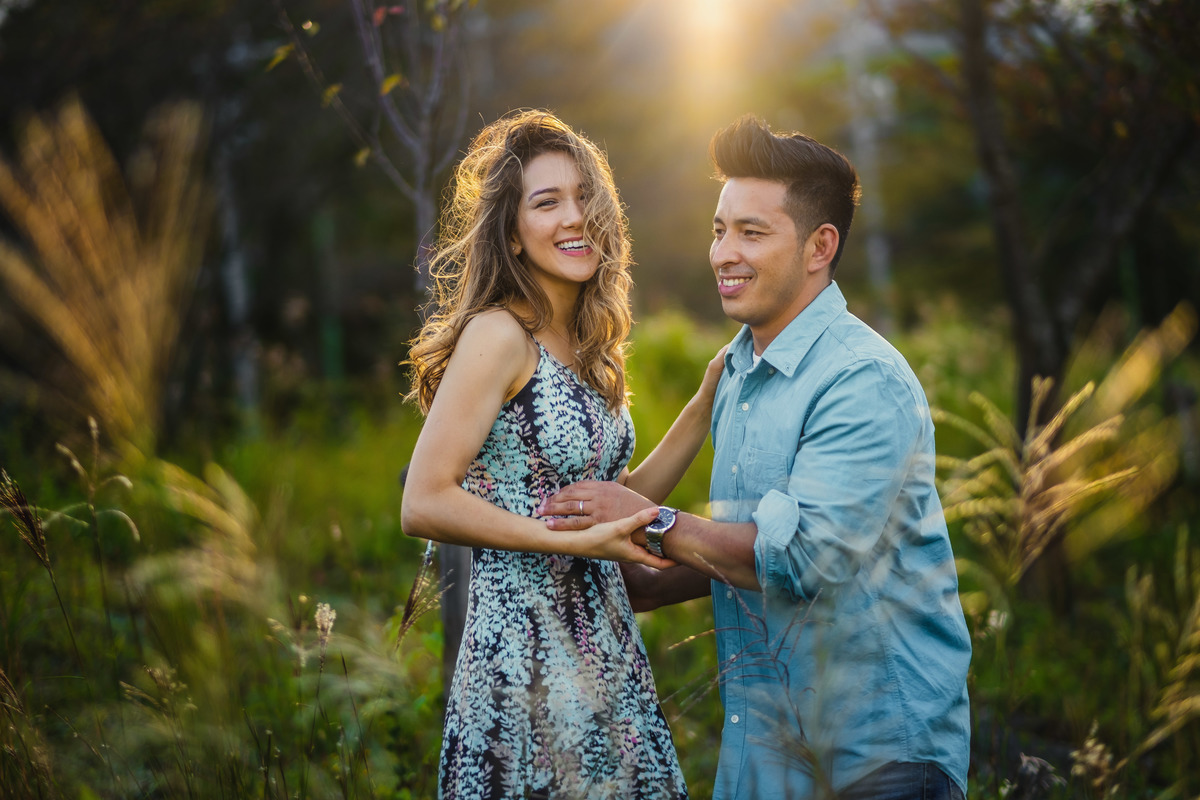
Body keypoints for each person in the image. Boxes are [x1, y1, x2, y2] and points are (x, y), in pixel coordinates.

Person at [542, 116, 972, 800]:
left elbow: (800, 558)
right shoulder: (738, 373)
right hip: (763, 761)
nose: (724, 254)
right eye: (719, 230)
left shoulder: (862, 380)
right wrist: (638, 568)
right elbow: (738, 551)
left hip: (877, 762)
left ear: (818, 247)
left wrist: (652, 523)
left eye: (752, 232)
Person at [402, 110, 721, 799]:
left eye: (585, 197)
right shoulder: (499, 335)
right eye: (547, 202)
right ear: (512, 235)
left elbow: (610, 498)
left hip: (606, 650)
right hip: (523, 657)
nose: (574, 216)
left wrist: (701, 410)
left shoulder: (586, 344)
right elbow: (424, 498)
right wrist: (568, 544)